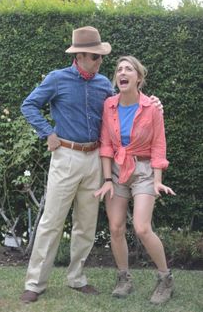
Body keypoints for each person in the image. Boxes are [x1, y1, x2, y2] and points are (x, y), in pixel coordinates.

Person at [20, 27, 162, 304]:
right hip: (66, 156)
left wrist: (154, 102)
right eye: (95, 57)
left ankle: (77, 278)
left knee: (85, 224)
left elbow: (124, 106)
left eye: (100, 57)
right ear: (80, 56)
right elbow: (29, 105)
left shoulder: (102, 85)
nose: (100, 62)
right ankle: (35, 283)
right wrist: (46, 132)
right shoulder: (57, 79)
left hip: (97, 160)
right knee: (52, 222)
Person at [94, 55, 175, 305]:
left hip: (143, 171)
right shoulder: (109, 105)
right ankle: (124, 278)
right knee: (116, 227)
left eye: (128, 69)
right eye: (119, 69)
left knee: (141, 227)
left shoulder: (151, 107)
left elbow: (159, 144)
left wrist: (157, 178)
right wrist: (108, 178)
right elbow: (106, 144)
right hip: (117, 170)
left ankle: (165, 279)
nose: (122, 73)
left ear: (138, 77)